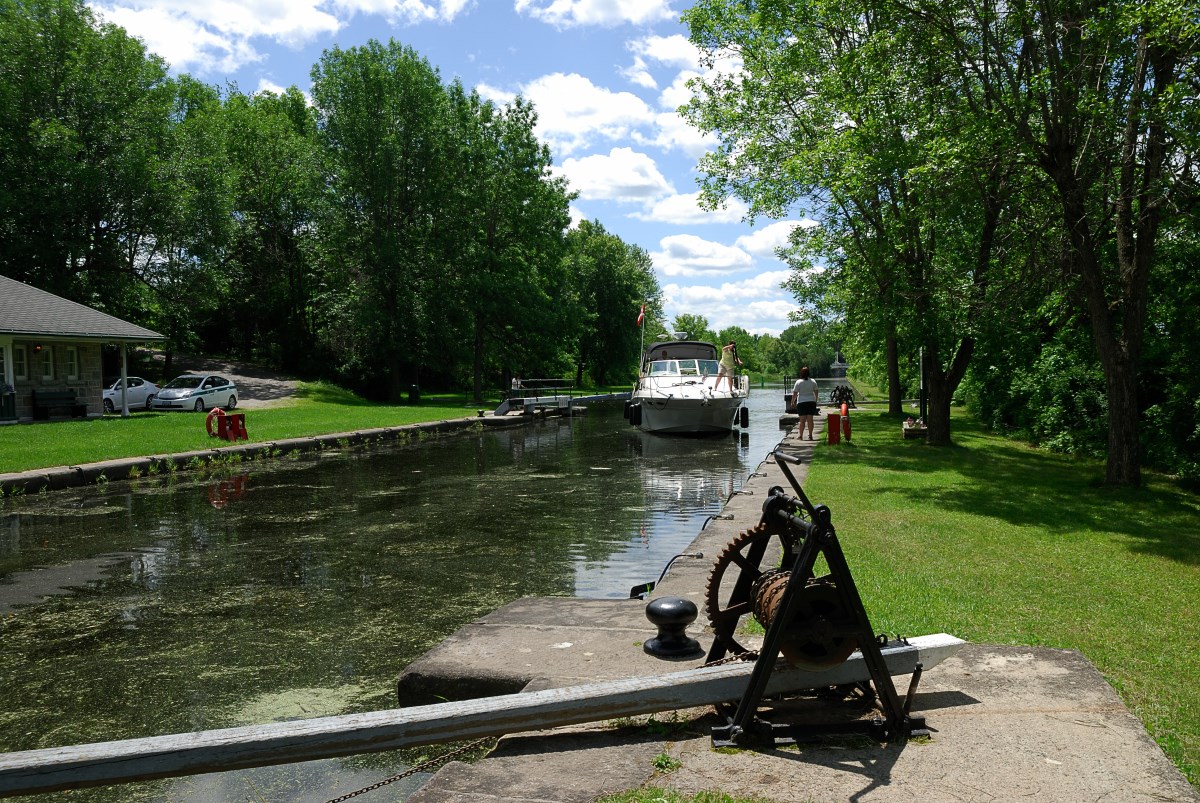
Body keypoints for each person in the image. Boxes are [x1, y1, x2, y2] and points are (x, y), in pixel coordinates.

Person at [791, 366, 819, 440]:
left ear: (801, 373)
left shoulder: (798, 382)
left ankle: (800, 436)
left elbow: (795, 393)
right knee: (810, 419)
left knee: (802, 420)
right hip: (811, 402)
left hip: (801, 402)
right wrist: (816, 399)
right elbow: (816, 391)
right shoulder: (813, 381)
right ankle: (810, 435)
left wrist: (792, 402)